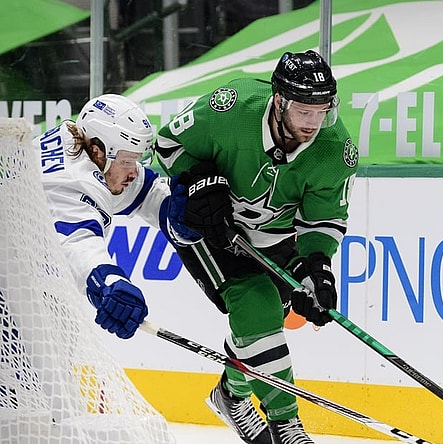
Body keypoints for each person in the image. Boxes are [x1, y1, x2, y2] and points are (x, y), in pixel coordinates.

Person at [155, 50, 358, 444]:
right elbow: (167, 146)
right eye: (304, 111)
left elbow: (322, 221)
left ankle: (230, 395)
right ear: (279, 101)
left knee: (261, 326)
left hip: (272, 237)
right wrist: (199, 179)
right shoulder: (232, 108)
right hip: (208, 229)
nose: (314, 123)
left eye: (322, 111)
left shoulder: (335, 150)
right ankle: (286, 425)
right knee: (256, 304)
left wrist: (317, 268)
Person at [34, 94, 193, 340]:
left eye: (136, 160)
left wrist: (172, 208)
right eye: (127, 161)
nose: (133, 171)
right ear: (97, 151)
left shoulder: (78, 144)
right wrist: (109, 281)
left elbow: (144, 190)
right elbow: (76, 243)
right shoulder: (72, 181)